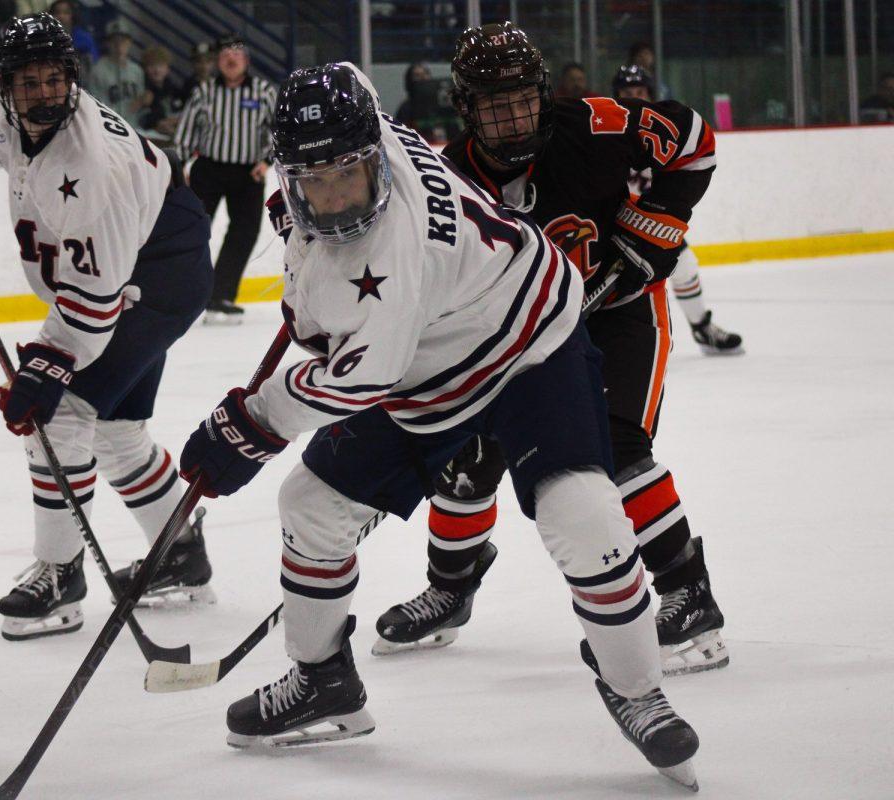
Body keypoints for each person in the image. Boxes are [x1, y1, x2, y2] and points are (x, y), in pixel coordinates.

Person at [179, 62, 700, 789]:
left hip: (527, 348)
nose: (333, 201)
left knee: (580, 509)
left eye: (347, 177)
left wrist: (248, 424)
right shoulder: (369, 125)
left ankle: (638, 690)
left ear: (372, 154)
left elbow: (356, 377)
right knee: (310, 505)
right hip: (431, 362)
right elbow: (344, 84)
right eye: (313, 183)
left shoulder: (387, 257)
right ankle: (323, 679)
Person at [373, 24, 728, 680]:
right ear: (465, 107)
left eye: (522, 99)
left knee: (615, 451)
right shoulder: (448, 182)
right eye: (492, 104)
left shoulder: (595, 123)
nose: (512, 118)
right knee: (466, 456)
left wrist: (658, 224)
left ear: (542, 93)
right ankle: (452, 589)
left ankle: (688, 592)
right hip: (525, 331)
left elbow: (697, 141)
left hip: (619, 313)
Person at [0, 13, 215, 638]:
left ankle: (60, 575)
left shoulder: (91, 168)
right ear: (6, 83)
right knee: (117, 429)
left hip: (156, 270)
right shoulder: (0, 102)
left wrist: (50, 364)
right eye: (31, 82)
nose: (46, 93)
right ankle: (180, 553)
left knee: (60, 413)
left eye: (57, 79)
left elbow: (93, 299)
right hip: (133, 260)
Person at [611, 64, 743, 354]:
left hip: (649, 220)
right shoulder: (607, 130)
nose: (634, 97)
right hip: (609, 224)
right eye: (627, 93)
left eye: (639, 92)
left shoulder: (667, 130)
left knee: (685, 264)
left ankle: (701, 328)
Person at [173, 32, 277, 323]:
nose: (231, 59)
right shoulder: (204, 92)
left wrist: (267, 160)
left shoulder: (263, 92)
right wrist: (180, 164)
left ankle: (221, 294)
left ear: (246, 60)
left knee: (245, 232)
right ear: (218, 61)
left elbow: (279, 130)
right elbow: (186, 132)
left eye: (237, 54)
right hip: (209, 169)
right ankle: (188, 292)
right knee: (194, 230)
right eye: (226, 55)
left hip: (248, 173)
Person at [85, 16, 145, 122]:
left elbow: (140, 103)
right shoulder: (98, 70)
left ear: (129, 42)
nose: (119, 45)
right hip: (110, 127)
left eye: (123, 41)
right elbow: (95, 107)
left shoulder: (137, 70)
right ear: (107, 43)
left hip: (136, 127)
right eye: (114, 41)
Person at [139, 45, 184, 140]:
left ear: (168, 69)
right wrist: (158, 125)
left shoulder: (175, 90)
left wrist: (174, 121)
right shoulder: (142, 90)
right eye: (152, 65)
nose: (156, 70)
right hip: (151, 138)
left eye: (160, 65)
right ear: (145, 69)